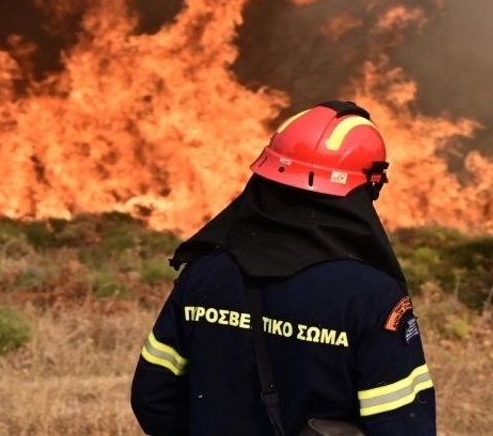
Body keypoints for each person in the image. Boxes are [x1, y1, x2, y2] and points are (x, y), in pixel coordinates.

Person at [130, 101, 436, 436]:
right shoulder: (371, 296)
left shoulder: (204, 272)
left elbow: (152, 398)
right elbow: (402, 425)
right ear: (367, 187)